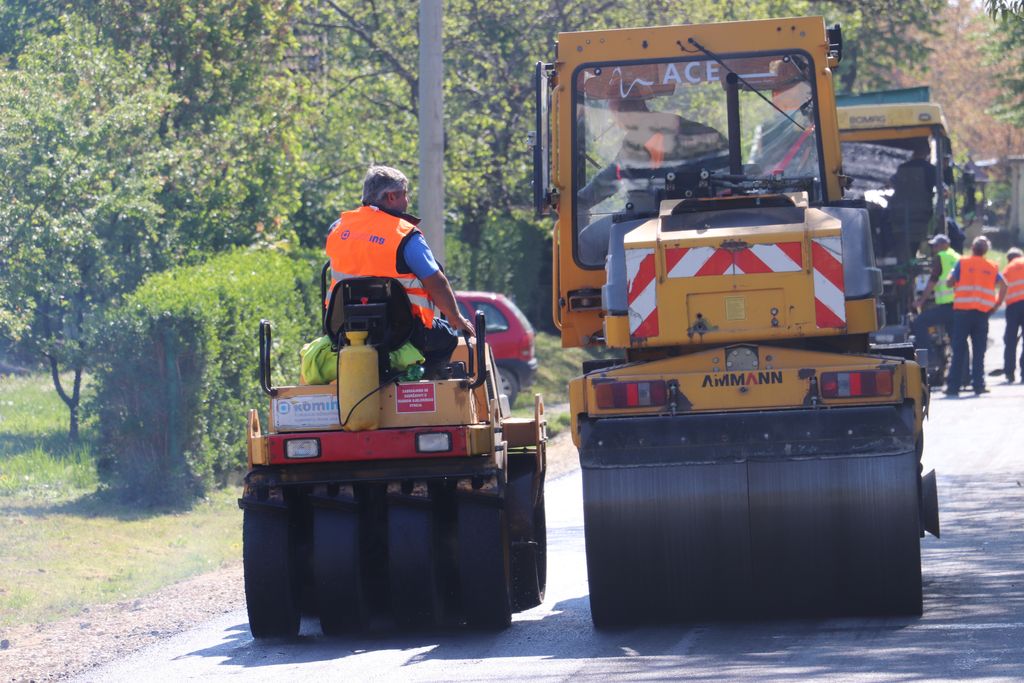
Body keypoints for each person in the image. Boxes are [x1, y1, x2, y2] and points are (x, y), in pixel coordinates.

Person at [325, 165, 474, 377]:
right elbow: (436, 282)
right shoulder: (405, 235)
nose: (407, 201)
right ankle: (420, 392)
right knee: (447, 338)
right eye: (405, 194)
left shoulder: (338, 228)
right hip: (402, 332)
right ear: (392, 197)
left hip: (343, 329)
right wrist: (455, 316)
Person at [576, 97, 727, 264]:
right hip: (708, 213)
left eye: (615, 116)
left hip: (657, 217)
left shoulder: (640, 136)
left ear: (626, 113)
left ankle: (614, 285)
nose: (616, 124)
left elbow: (609, 179)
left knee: (588, 241)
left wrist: (580, 200)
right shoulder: (687, 127)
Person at [944, 236, 1008, 396]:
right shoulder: (992, 266)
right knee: (979, 351)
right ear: (986, 251)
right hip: (982, 314)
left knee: (958, 350)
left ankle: (953, 388)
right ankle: (978, 385)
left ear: (972, 248)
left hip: (962, 313)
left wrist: (952, 277)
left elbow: (949, 282)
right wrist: (997, 305)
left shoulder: (963, 263)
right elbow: (1004, 285)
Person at [911, 234, 960, 378]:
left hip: (947, 306)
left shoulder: (942, 256)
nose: (934, 249)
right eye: (933, 246)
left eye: (936, 245)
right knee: (956, 341)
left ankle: (930, 357)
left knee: (919, 322)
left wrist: (921, 301)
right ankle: (963, 376)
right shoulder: (957, 257)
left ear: (945, 244)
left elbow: (933, 280)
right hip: (959, 306)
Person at [1001, 247, 1024, 382]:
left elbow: (1003, 289)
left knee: (1010, 340)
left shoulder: (1008, 269)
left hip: (1013, 307)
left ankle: (1009, 372)